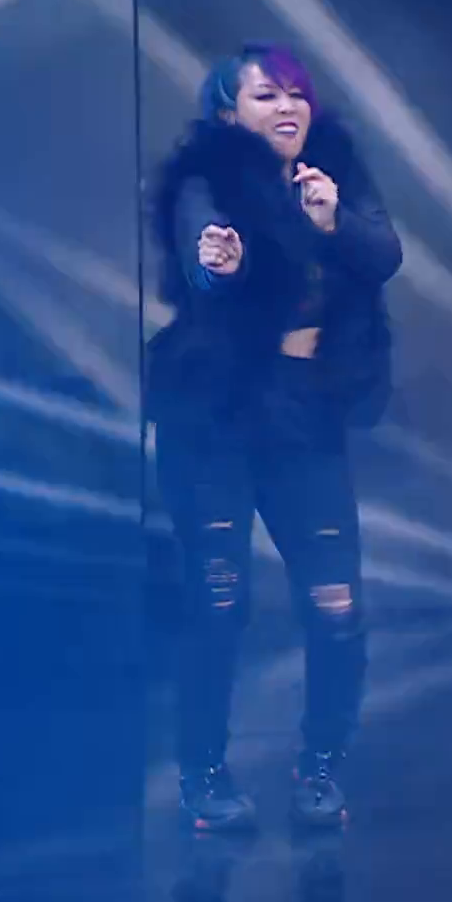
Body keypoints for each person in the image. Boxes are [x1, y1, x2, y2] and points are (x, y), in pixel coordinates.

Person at [147, 43, 401, 831]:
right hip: (217, 416)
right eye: (266, 96)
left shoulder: (334, 174)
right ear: (229, 113)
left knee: (337, 605)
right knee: (219, 603)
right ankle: (204, 773)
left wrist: (332, 221)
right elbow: (203, 257)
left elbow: (383, 255)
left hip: (303, 414)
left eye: (296, 94)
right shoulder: (204, 179)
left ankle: (319, 765)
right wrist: (217, 263)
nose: (288, 108)